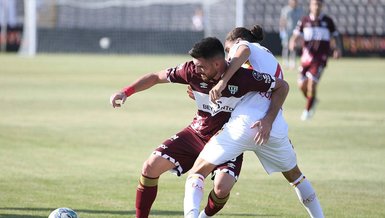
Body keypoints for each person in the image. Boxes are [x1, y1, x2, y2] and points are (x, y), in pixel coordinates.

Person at [110, 37, 289, 218]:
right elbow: (156, 77)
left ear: (218, 64)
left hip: (227, 140)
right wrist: (126, 92)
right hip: (197, 133)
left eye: (201, 66)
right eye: (195, 65)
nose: (196, 69)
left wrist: (269, 119)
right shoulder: (191, 70)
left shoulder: (243, 77)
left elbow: (281, 86)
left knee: (221, 188)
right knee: (150, 167)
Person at [184, 26, 324, 218]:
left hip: (244, 125)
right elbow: (276, 89)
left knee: (197, 172)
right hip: (272, 129)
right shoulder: (269, 60)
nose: (227, 56)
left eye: (227, 49)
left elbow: (243, 50)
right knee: (296, 177)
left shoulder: (243, 46)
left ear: (237, 40)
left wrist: (222, 82)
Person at [289, 0, 342, 121]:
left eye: (318, 4)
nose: (316, 6)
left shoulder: (328, 21)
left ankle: (307, 111)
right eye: (314, 4)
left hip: (320, 58)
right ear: (310, 5)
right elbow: (296, 34)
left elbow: (336, 35)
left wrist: (337, 49)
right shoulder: (304, 20)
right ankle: (313, 100)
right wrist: (292, 41)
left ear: (322, 5)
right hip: (306, 58)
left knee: (311, 84)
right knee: (301, 86)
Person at [279, 0, 304, 69]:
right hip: (287, 31)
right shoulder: (285, 10)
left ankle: (292, 62)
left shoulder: (300, 10)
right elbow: (282, 20)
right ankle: (285, 61)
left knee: (293, 47)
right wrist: (282, 30)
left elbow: (301, 21)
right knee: (286, 46)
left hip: (295, 32)